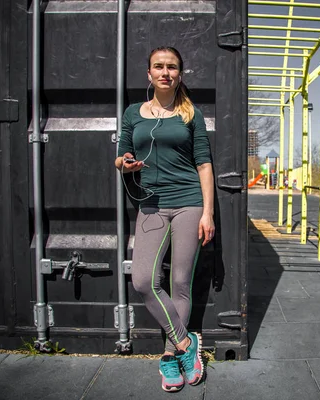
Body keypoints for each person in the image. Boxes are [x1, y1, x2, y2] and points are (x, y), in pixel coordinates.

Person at [114, 46, 214, 392]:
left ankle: (171, 357)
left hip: (189, 204)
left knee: (180, 283)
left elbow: (204, 164)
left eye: (172, 67)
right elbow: (119, 154)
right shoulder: (133, 113)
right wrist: (125, 163)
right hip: (151, 205)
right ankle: (188, 344)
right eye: (159, 66)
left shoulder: (191, 114)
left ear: (180, 74)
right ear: (149, 74)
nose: (165, 72)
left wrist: (208, 212)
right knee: (144, 280)